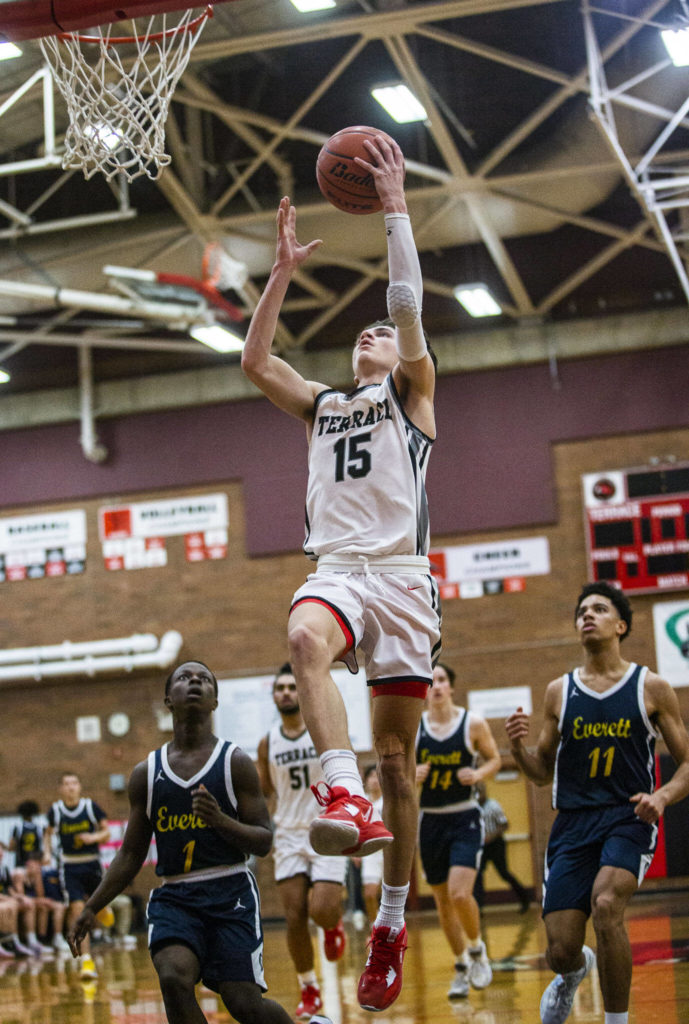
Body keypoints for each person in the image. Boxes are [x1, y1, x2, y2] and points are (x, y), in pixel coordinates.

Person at [242, 132, 440, 1013]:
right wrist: (280, 274)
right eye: (357, 331)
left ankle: (391, 923)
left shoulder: (412, 398)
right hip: (338, 569)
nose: (370, 334)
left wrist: (394, 207)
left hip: (402, 580)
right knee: (299, 636)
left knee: (401, 764)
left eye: (380, 334)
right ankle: (340, 790)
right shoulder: (322, 407)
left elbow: (404, 308)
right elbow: (254, 363)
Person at [68, 660, 301, 1024]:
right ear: (167, 700)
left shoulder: (234, 762)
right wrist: (91, 906)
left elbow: (263, 840)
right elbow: (130, 854)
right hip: (175, 896)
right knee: (174, 978)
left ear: (214, 702)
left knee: (243, 1003)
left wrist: (220, 821)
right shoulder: (147, 773)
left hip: (231, 892)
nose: (195, 682)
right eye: (184, 678)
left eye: (204, 679)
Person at [505, 581, 689, 1024]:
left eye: (600, 609)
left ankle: (616, 1020)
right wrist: (517, 751)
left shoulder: (652, 687)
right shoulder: (558, 692)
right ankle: (572, 973)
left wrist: (661, 796)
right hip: (572, 823)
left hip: (629, 816)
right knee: (561, 949)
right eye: (582, 610)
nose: (587, 615)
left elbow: (687, 765)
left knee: (607, 906)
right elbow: (540, 772)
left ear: (621, 625)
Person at [256, 663, 347, 1020]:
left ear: (301, 692)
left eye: (291, 687)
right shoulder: (267, 742)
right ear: (274, 695)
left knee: (322, 909)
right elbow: (265, 790)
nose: (285, 693)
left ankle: (333, 924)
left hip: (326, 825)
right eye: (279, 688)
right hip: (290, 832)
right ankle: (309, 987)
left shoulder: (320, 728)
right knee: (294, 915)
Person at [416, 661, 501, 1000]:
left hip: (464, 816)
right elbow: (398, 772)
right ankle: (461, 965)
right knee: (441, 900)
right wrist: (412, 773)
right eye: (430, 681)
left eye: (441, 680)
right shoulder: (415, 727)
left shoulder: (472, 724)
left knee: (459, 894)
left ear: (451, 687)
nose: (435, 686)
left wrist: (479, 775)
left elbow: (494, 759)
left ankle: (478, 949)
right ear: (423, 690)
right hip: (430, 819)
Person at [44, 771, 110, 979]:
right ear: (61, 789)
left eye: (74, 783)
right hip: (70, 867)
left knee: (99, 907)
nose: (71, 787)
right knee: (78, 911)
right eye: (66, 783)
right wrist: (47, 853)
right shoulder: (55, 810)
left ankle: (105, 912)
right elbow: (47, 834)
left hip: (92, 864)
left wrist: (93, 837)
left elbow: (106, 832)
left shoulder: (90, 807)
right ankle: (87, 961)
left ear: (80, 787)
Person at [473, 783, 530, 913]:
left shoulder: (493, 805)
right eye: (476, 791)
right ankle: (478, 909)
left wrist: (490, 837)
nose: (479, 794)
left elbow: (504, 825)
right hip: (481, 846)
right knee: (477, 875)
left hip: (496, 844)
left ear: (485, 791)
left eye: (481, 791)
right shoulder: (474, 807)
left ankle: (525, 899)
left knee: (504, 873)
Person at [357, 764, 384, 925]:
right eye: (371, 776)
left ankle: (391, 927)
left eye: (377, 776)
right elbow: (355, 827)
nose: (375, 780)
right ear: (366, 781)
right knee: (369, 894)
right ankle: (375, 927)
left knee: (391, 894)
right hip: (370, 852)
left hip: (388, 850)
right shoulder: (361, 802)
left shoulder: (389, 799)